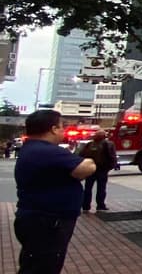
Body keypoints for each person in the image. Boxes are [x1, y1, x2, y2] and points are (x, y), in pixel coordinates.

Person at [14, 109, 97, 274]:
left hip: (38, 219)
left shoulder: (33, 149)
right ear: (53, 129)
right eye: (61, 127)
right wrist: (90, 160)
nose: (63, 131)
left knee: (34, 264)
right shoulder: (47, 151)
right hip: (48, 222)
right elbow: (85, 168)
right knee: (43, 267)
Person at [75, 131, 116, 213]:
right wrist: (111, 166)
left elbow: (81, 155)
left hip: (90, 169)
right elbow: (112, 156)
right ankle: (100, 206)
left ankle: (86, 206)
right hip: (102, 169)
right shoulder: (108, 144)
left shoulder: (89, 144)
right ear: (104, 136)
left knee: (88, 188)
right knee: (101, 188)